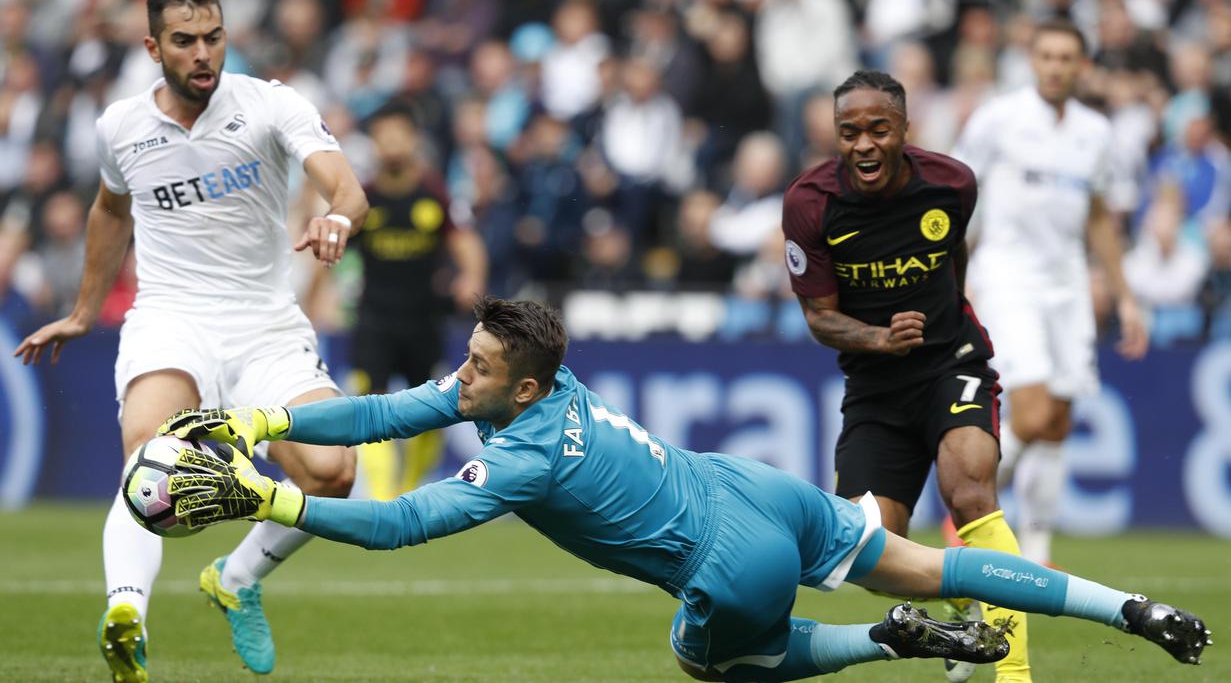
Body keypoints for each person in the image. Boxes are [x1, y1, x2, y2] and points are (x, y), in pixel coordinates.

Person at [156, 296, 1210, 681]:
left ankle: (878, 642)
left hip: (728, 556)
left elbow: (398, 523)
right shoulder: (541, 378)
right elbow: (384, 413)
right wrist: (265, 422)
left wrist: (267, 497)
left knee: (708, 661)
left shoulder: (524, 453)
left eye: (474, 369)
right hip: (761, 490)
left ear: (520, 383)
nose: (458, 377)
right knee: (939, 562)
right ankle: (1130, 608)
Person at [10, 0, 368, 682]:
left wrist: (338, 218)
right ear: (152, 47)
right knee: (149, 451)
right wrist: (84, 311)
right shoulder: (121, 127)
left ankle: (235, 578)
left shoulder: (270, 103)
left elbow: (345, 185)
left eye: (213, 37)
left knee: (335, 474)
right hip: (172, 316)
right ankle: (126, 618)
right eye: (183, 41)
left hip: (266, 324)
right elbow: (110, 212)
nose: (202, 53)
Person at [780, 69, 1032, 682]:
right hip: (874, 388)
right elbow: (818, 316)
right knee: (870, 555)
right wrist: (880, 340)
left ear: (903, 130)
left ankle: (1015, 671)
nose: (863, 144)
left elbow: (956, 258)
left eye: (877, 129)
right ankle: (955, 602)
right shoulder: (809, 204)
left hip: (952, 363)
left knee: (971, 491)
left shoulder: (951, 183)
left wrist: (946, 326)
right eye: (849, 132)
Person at [951, 19, 1149, 568]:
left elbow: (1100, 217)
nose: (1056, 67)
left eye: (1067, 58)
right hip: (1008, 276)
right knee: (1033, 415)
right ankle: (964, 503)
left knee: (1058, 421)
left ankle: (1036, 551)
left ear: (1082, 66)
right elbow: (955, 197)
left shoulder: (1095, 132)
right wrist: (948, 276)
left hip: (1066, 283)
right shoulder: (1000, 119)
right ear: (1032, 60)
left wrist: (1125, 294)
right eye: (1047, 56)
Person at [343, 102, 487, 500]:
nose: (390, 143)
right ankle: (385, 497)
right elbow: (332, 252)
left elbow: (466, 242)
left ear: (413, 140)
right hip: (373, 318)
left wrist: (470, 279)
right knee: (369, 406)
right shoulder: (363, 198)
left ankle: (409, 491)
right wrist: (318, 300)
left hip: (423, 320)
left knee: (429, 414)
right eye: (383, 135)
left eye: (398, 134)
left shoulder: (435, 194)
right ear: (373, 143)